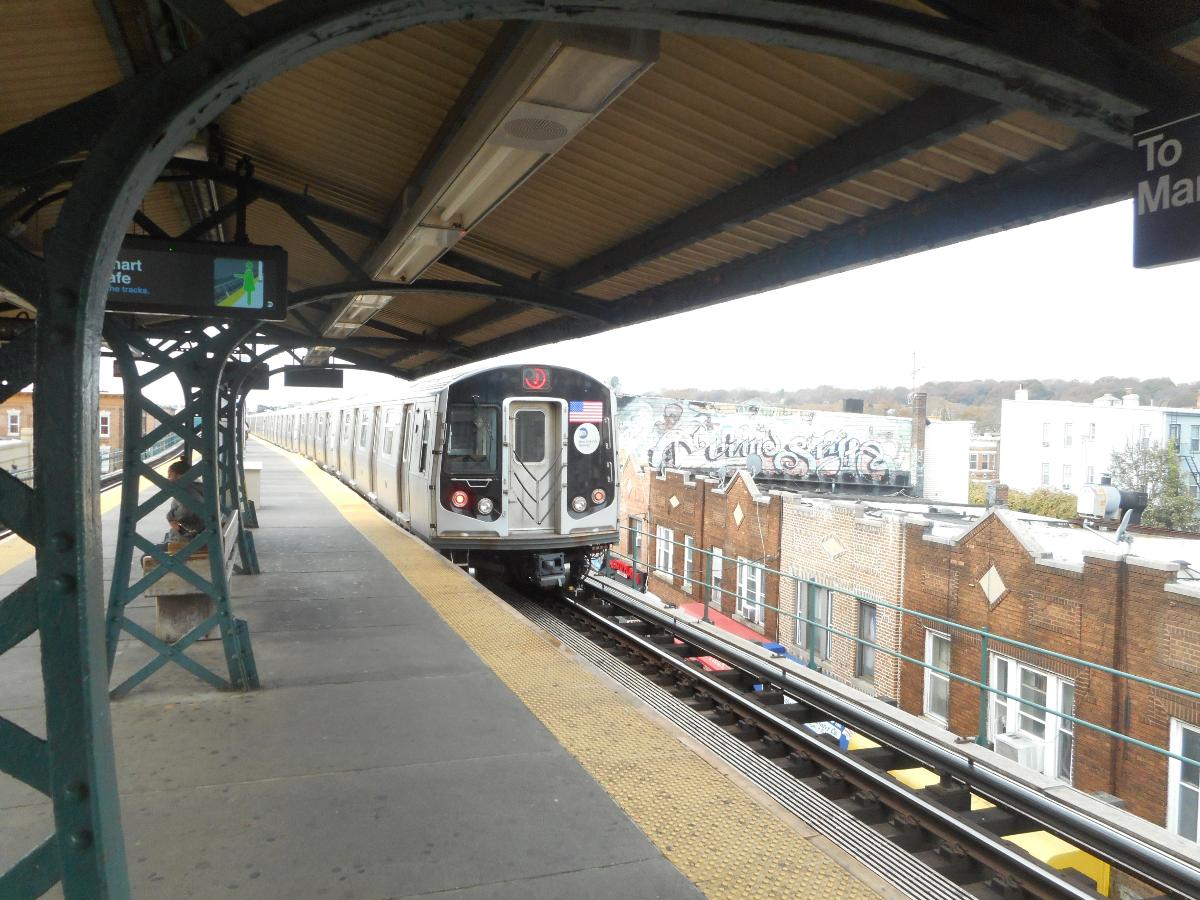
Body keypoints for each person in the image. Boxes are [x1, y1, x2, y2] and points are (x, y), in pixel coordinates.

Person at [166, 460, 205, 540]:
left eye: (170, 475)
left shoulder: (186, 489)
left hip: (197, 534)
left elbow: (186, 509)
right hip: (203, 529)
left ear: (180, 475)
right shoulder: (198, 486)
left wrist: (170, 517)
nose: (168, 478)